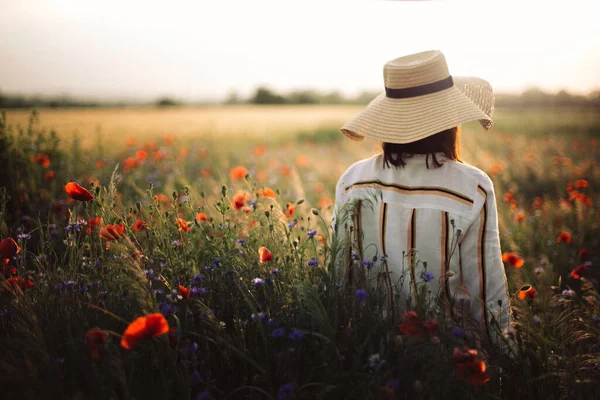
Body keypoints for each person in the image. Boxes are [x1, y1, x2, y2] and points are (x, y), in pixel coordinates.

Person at [332, 50, 510, 346]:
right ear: (450, 119)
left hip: (371, 351)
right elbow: (488, 293)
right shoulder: (473, 186)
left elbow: (341, 282)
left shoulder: (353, 180)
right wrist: (507, 365)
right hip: (449, 357)